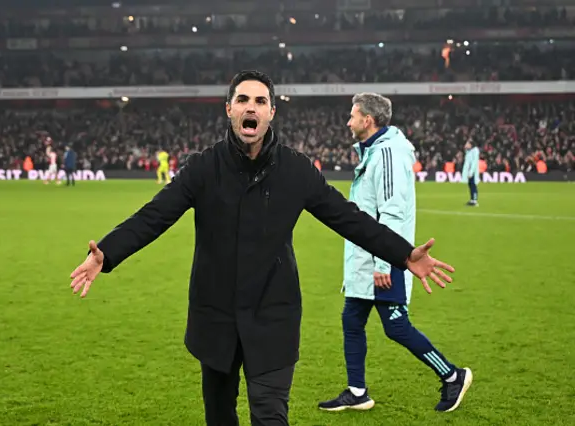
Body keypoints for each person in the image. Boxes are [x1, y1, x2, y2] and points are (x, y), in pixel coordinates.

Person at [69, 71, 455, 426]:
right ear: (229, 110)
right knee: (219, 416)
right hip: (215, 317)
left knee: (270, 416)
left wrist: (404, 254)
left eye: (258, 100)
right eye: (241, 100)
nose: (250, 106)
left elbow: (348, 218)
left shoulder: (296, 170)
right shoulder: (204, 168)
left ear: (271, 111)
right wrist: (107, 252)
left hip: (273, 315)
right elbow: (155, 215)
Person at [318, 93, 472, 415]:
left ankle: (452, 375)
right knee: (352, 319)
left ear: (368, 120)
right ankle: (357, 392)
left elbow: (391, 212)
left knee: (396, 326)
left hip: (385, 260)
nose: (348, 122)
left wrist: (383, 262)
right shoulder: (376, 150)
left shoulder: (387, 153)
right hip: (370, 258)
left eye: (352, 115)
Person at [462, 140, 480, 206]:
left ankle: (475, 200)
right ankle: (472, 199)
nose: (466, 144)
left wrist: (471, 172)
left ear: (471, 145)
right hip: (468, 171)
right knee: (470, 185)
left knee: (473, 185)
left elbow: (474, 162)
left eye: (467, 143)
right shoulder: (468, 151)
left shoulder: (475, 151)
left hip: (472, 171)